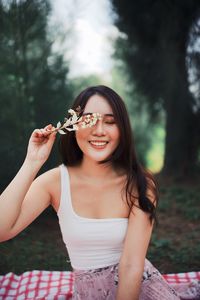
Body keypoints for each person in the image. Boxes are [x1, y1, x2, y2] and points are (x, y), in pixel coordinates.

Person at [0, 85, 197, 300]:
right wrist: (32, 161)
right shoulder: (55, 182)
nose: (100, 130)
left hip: (138, 289)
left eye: (110, 122)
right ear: (73, 126)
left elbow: (132, 265)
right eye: (89, 120)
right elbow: (2, 230)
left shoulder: (139, 183)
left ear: (122, 129)